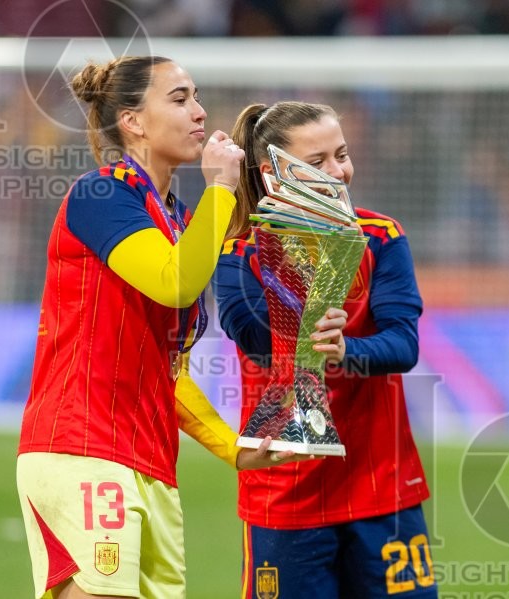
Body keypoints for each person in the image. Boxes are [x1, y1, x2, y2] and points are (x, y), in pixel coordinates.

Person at [16, 56, 300, 599]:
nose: (199, 112)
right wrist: (221, 188)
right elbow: (174, 284)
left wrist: (231, 447)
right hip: (82, 447)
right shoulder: (103, 195)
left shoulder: (180, 218)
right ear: (134, 121)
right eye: (179, 98)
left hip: (152, 464)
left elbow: (169, 371)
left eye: (197, 96)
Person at [213, 101, 438, 598]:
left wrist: (345, 350)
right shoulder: (237, 253)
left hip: (381, 487)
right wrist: (305, 289)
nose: (339, 172)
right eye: (317, 163)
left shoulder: (381, 236)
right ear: (273, 172)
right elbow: (253, 341)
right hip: (284, 492)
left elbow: (403, 344)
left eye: (342, 154)